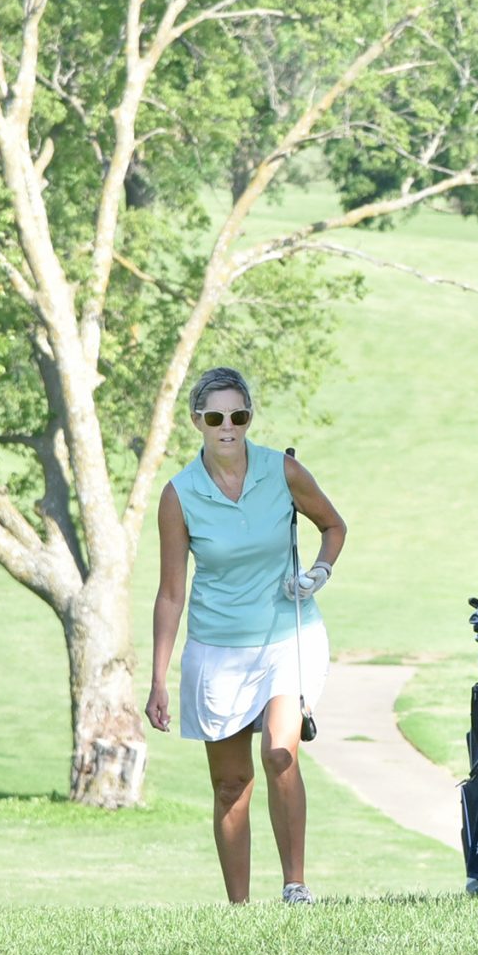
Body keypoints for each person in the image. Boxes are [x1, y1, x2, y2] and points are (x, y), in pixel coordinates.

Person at [147, 367, 347, 906]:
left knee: (281, 754)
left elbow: (333, 526)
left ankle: (295, 887)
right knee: (230, 784)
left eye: (238, 416)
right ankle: (240, 909)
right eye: (216, 418)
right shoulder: (179, 495)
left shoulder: (282, 471)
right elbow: (171, 593)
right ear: (198, 422)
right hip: (217, 648)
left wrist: (319, 574)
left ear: (248, 418)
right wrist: (158, 679)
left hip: (289, 636)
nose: (228, 427)